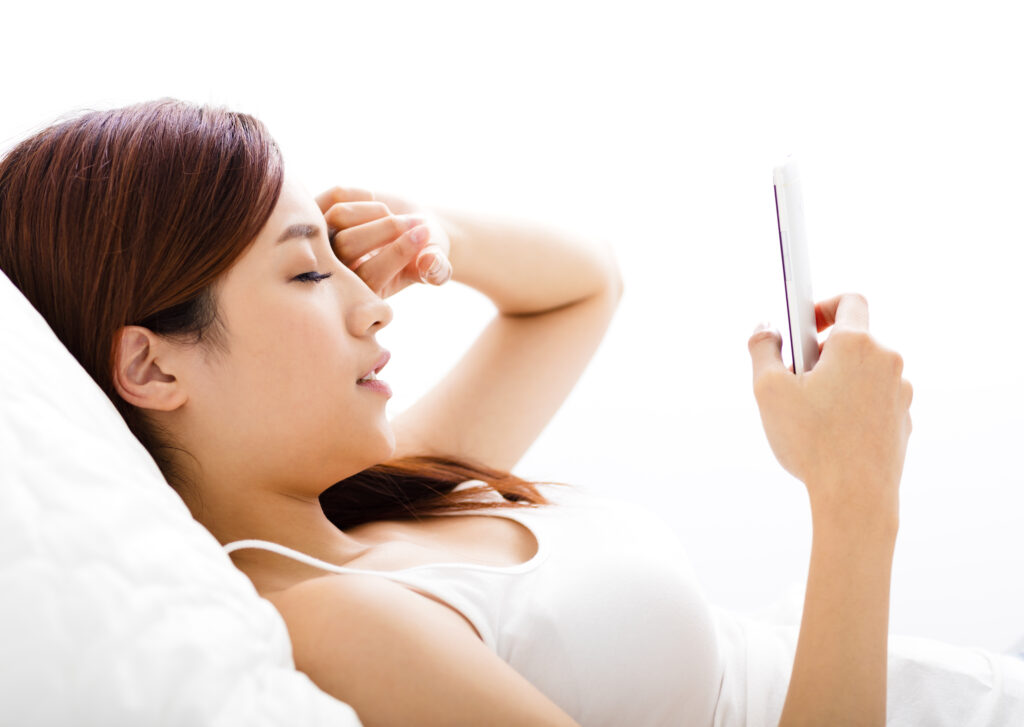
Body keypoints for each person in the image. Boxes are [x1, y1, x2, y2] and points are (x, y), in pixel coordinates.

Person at [0, 98, 1021, 727]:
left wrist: (433, 230)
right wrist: (854, 500)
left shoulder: (369, 500)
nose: (370, 300)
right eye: (309, 271)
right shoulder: (332, 623)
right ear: (151, 365)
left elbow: (582, 286)